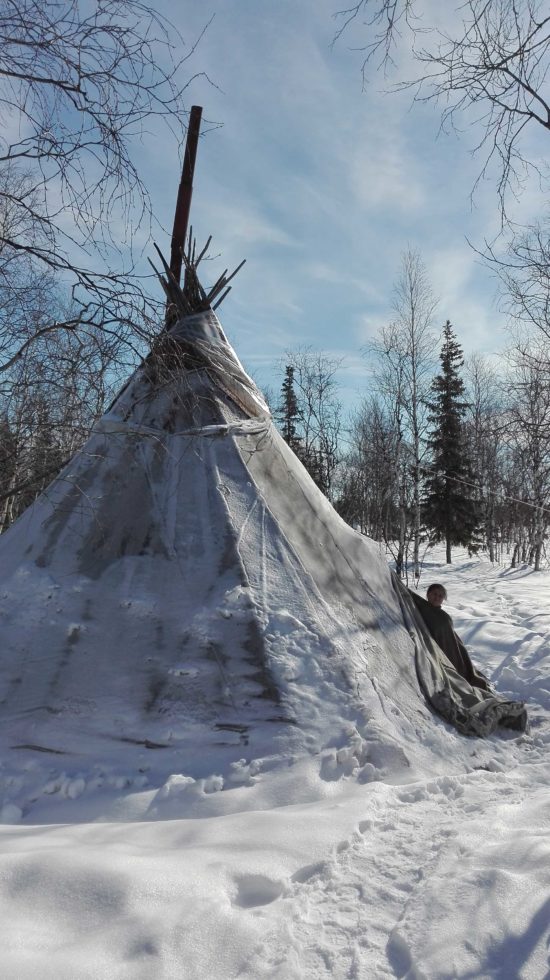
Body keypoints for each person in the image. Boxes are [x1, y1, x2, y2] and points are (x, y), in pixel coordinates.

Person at [410, 582, 491, 691]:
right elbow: (410, 595)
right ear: (428, 595)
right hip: (437, 650)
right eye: (434, 594)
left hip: (453, 648)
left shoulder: (444, 616)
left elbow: (451, 635)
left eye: (440, 596)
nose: (437, 597)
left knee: (468, 673)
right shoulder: (423, 608)